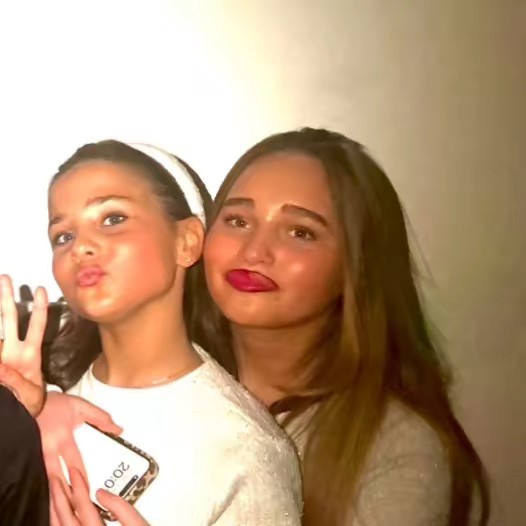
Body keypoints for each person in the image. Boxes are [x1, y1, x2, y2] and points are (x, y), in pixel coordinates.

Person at [0, 140, 302, 525]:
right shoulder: (38, 404)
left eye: (113, 218)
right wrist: (18, 418)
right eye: (63, 236)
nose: (80, 247)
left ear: (187, 241)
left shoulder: (246, 448)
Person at [199, 128, 490, 525]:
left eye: (300, 232)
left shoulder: (399, 447)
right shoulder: (154, 385)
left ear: (357, 266)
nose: (254, 252)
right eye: (237, 220)